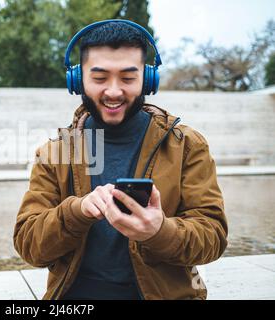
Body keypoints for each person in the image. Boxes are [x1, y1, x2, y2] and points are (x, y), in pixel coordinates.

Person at [13, 20, 228, 300]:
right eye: (99, 78)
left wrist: (160, 231)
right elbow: (30, 246)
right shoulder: (54, 153)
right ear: (77, 80)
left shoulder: (187, 146)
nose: (113, 92)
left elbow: (213, 238)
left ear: (148, 80)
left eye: (128, 78)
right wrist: (76, 212)